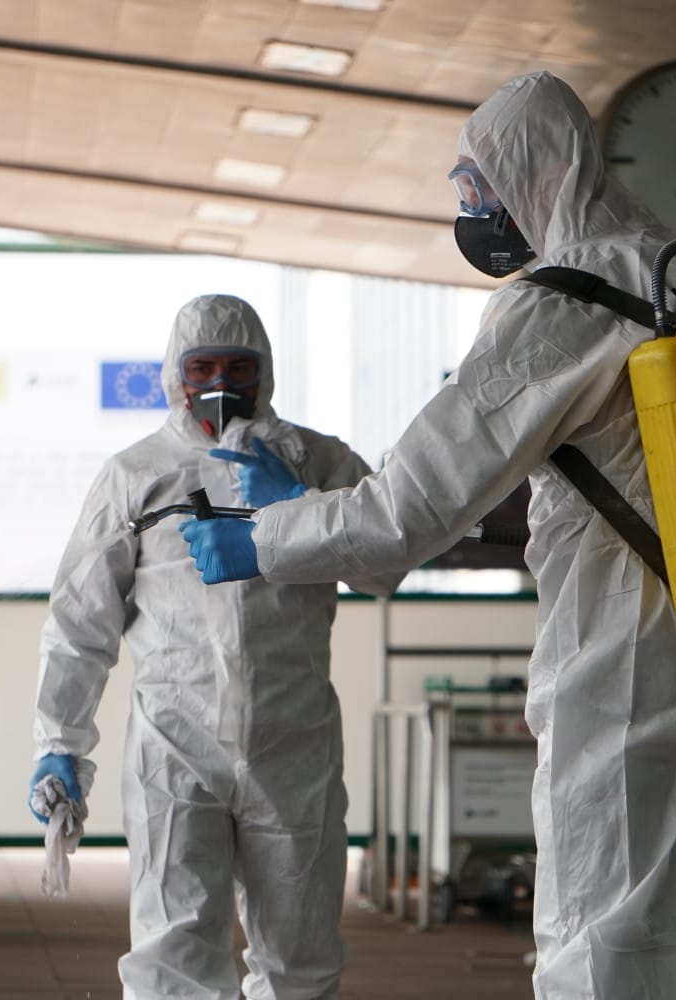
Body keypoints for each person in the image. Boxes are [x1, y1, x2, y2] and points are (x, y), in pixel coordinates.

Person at [181, 71, 676, 999]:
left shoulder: (558, 306)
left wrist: (268, 538)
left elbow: (411, 507)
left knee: (603, 918)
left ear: (532, 174)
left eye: (475, 184)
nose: (469, 208)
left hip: (632, 633)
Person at [30, 293, 403, 1000]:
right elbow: (82, 618)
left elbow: (386, 570)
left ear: (267, 372)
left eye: (240, 366)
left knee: (301, 953)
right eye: (203, 367)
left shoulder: (321, 463)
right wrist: (60, 740)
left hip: (293, 744)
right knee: (174, 951)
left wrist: (304, 502)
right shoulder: (135, 476)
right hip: (175, 743)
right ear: (175, 375)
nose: (221, 384)